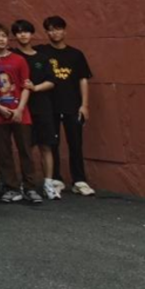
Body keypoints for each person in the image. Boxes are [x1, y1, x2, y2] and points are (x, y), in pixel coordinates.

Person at [0, 23, 39, 204]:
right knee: (4, 153)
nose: (1, 39)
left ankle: (30, 187)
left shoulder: (19, 60)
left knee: (25, 150)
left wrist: (20, 109)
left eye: (4, 36)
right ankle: (11, 187)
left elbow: (26, 85)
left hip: (20, 113)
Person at [42, 16, 94, 196]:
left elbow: (83, 79)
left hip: (73, 105)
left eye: (57, 29)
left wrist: (84, 105)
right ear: (46, 32)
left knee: (76, 143)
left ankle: (79, 180)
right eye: (50, 29)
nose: (54, 33)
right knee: (52, 143)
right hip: (50, 106)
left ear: (65, 31)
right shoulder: (42, 52)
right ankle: (56, 179)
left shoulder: (76, 54)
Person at [13, 19, 61, 200]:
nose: (23, 35)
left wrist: (35, 88)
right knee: (25, 148)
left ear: (32, 34)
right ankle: (27, 184)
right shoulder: (12, 56)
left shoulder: (42, 57)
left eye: (26, 31)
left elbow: (52, 81)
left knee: (46, 146)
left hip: (42, 107)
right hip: (22, 108)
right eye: (19, 32)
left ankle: (48, 183)